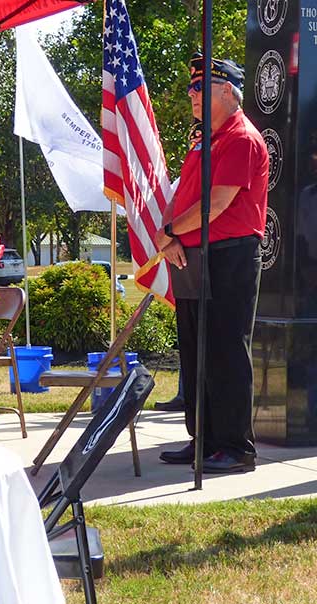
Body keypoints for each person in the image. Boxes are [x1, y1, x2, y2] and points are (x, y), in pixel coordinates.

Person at [155, 55, 268, 473]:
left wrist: (170, 232)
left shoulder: (241, 137)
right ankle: (203, 438)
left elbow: (217, 204)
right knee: (197, 348)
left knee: (225, 348)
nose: (192, 94)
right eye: (192, 87)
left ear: (227, 91)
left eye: (201, 87)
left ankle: (236, 448)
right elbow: (183, 191)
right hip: (193, 251)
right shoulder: (204, 138)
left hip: (229, 253)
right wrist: (170, 233)